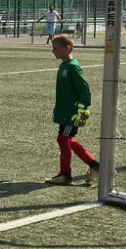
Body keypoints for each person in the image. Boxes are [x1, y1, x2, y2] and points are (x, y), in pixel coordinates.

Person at [45, 35, 100, 186]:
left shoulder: (73, 67)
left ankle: (66, 174)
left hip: (72, 113)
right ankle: (94, 165)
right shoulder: (64, 66)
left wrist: (82, 109)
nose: (53, 51)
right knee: (66, 139)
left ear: (67, 48)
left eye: (56, 48)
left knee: (63, 139)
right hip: (64, 112)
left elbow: (84, 89)